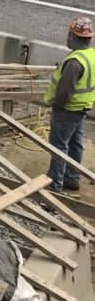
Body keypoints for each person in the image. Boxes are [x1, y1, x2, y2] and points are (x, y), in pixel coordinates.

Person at [44, 15, 95, 194]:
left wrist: (55, 103)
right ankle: (72, 178)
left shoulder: (74, 62)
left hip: (67, 109)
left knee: (59, 145)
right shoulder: (91, 55)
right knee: (75, 143)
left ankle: (54, 183)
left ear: (72, 36)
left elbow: (65, 91)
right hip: (81, 108)